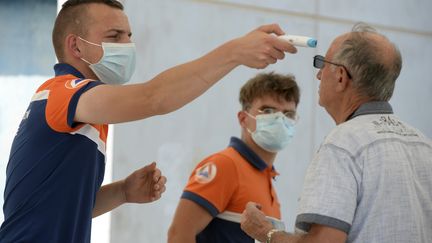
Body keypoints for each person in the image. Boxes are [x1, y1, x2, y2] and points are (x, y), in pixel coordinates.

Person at [0, 0, 297, 242]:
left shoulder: (85, 115)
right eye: (114, 36)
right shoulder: (63, 93)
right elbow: (154, 98)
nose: (127, 45)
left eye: (129, 36)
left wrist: (122, 192)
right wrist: (235, 52)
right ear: (76, 47)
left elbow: (62, 208)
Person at [240, 23, 432, 243]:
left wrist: (266, 232)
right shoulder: (424, 145)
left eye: (323, 63)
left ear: (341, 77)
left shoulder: (343, 145)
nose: (319, 75)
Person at [168, 72, 300, 243]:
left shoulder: (267, 176)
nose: (280, 120)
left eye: (288, 114)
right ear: (243, 118)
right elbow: (178, 235)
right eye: (268, 110)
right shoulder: (224, 165)